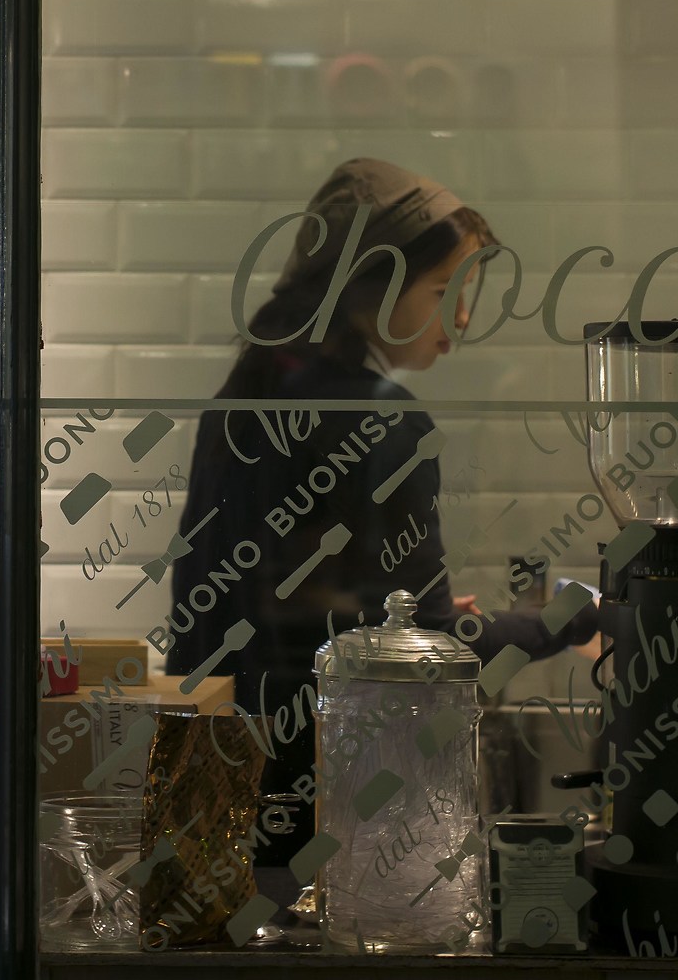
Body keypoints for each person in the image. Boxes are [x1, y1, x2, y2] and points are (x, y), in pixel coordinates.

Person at [164, 158, 597, 865]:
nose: (462, 317)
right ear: (372, 283)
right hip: (334, 802)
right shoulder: (385, 422)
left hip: (215, 797)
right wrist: (577, 615)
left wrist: (378, 611)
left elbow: (260, 605)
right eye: (444, 289)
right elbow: (432, 643)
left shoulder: (243, 397)